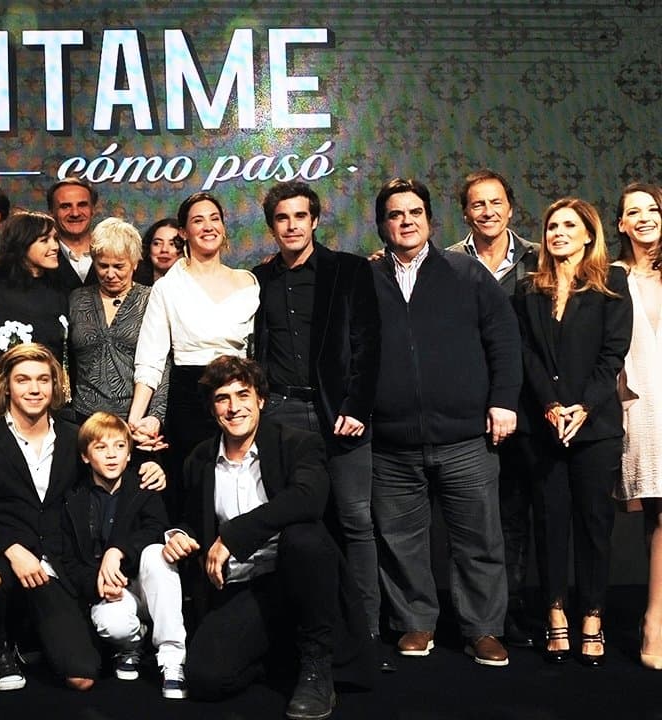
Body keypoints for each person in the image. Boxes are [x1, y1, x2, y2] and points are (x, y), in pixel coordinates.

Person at [162, 355, 371, 717]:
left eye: (243, 395)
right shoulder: (200, 458)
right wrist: (180, 534)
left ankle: (316, 664)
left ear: (260, 399)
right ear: (212, 409)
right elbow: (193, 521)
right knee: (205, 679)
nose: (234, 408)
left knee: (303, 536)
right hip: (242, 587)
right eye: (222, 399)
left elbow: (308, 498)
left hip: (296, 577)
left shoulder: (297, 443)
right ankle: (281, 656)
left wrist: (233, 536)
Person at [368, 177, 520, 668]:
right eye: (395, 214)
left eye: (415, 212)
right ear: (382, 225)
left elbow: (504, 340)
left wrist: (503, 402)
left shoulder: (466, 272)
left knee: (479, 540)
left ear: (430, 221)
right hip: (392, 442)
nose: (406, 221)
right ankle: (415, 622)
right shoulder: (366, 279)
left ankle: (483, 629)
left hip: (465, 437)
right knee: (400, 541)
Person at [250, 181, 382, 639]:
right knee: (291, 524)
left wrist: (357, 406)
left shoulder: (349, 270)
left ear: (315, 220)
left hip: (340, 413)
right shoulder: (259, 279)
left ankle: (365, 632)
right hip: (281, 413)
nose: (291, 226)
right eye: (282, 218)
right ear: (272, 226)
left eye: (300, 216)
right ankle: (298, 631)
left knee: (355, 520)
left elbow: (368, 344)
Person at [515, 198, 631, 666]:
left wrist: (584, 407)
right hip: (545, 426)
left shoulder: (612, 283)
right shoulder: (529, 288)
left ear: (588, 234)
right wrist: (550, 405)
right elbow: (527, 354)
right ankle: (555, 614)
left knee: (594, 526)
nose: (558, 233)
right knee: (550, 524)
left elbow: (612, 354)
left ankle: (593, 618)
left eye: (569, 225)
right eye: (551, 226)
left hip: (595, 426)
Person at [0, 343, 102, 692]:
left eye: (43, 380)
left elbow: (113, 464)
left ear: (55, 385)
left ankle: (30, 633)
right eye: (23, 380)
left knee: (82, 677)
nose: (34, 389)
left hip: (56, 559)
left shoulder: (74, 435)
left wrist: (151, 467)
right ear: (7, 386)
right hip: (1, 551)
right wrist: (12, 549)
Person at [446, 169, 541, 647]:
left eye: (496, 202)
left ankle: (514, 610)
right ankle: (479, 617)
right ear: (465, 213)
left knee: (516, 513)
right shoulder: (446, 262)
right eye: (478, 204)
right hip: (467, 405)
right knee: (476, 520)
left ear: (511, 207)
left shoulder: (538, 259)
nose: (488, 211)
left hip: (530, 404)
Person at [130, 191, 260, 516]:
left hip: (239, 393)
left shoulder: (248, 282)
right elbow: (150, 358)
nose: (208, 226)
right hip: (190, 396)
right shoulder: (168, 287)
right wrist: (135, 420)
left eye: (214, 219)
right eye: (198, 220)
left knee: (243, 488)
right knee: (194, 494)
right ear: (184, 232)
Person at [56, 412, 185, 699]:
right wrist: (99, 584)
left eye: (119, 446)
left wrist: (119, 551)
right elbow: (68, 560)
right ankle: (133, 644)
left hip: (145, 581)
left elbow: (157, 528)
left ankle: (172, 659)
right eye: (101, 447)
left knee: (157, 553)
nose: (112, 455)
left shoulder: (143, 485)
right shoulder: (73, 499)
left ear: (129, 454)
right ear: (86, 456)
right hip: (113, 592)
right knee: (111, 624)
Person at [613, 183, 662, 669]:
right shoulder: (612, 277)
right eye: (634, 211)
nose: (645, 217)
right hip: (641, 407)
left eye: (653, 208)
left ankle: (655, 620)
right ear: (621, 224)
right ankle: (655, 621)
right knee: (658, 509)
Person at [67, 217, 166, 425]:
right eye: (103, 265)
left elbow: (164, 364)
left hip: (137, 420)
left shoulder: (151, 299)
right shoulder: (77, 299)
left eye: (119, 266)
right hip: (84, 418)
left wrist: (155, 416)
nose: (110, 274)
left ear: (135, 263)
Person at [0, 210, 69, 364]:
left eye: (55, 239)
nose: (55, 246)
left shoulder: (60, 292)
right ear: (22, 245)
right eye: (44, 240)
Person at [46, 178, 100, 294]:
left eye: (82, 205)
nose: (75, 213)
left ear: (93, 210)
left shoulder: (117, 253)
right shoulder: (40, 259)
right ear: (51, 212)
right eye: (65, 206)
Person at [133, 218, 184, 286]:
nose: (164, 249)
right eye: (157, 243)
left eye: (172, 244)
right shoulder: (133, 282)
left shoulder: (192, 284)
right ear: (149, 247)